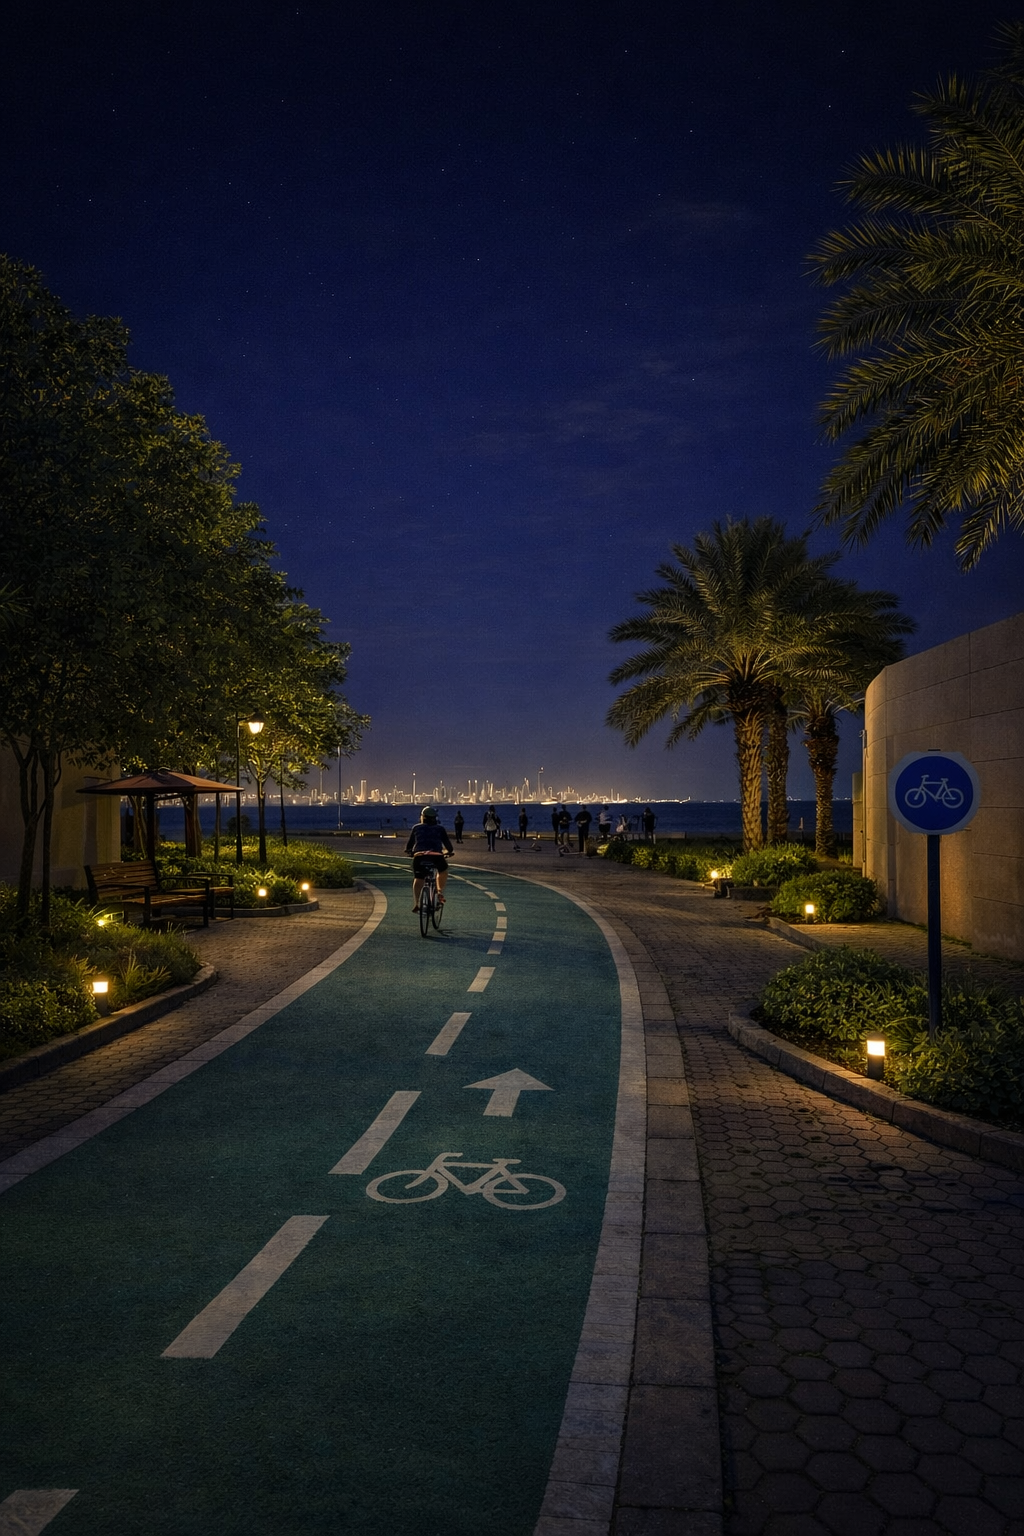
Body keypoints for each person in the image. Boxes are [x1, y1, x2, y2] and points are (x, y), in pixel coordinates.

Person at [405, 806, 453, 911]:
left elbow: (409, 846)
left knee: (418, 878)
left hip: (420, 856)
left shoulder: (416, 828)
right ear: (435, 818)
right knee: (443, 871)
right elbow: (449, 846)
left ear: (422, 817)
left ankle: (417, 903)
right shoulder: (440, 829)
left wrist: (410, 851)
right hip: (436, 856)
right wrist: (448, 852)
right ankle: (439, 891)